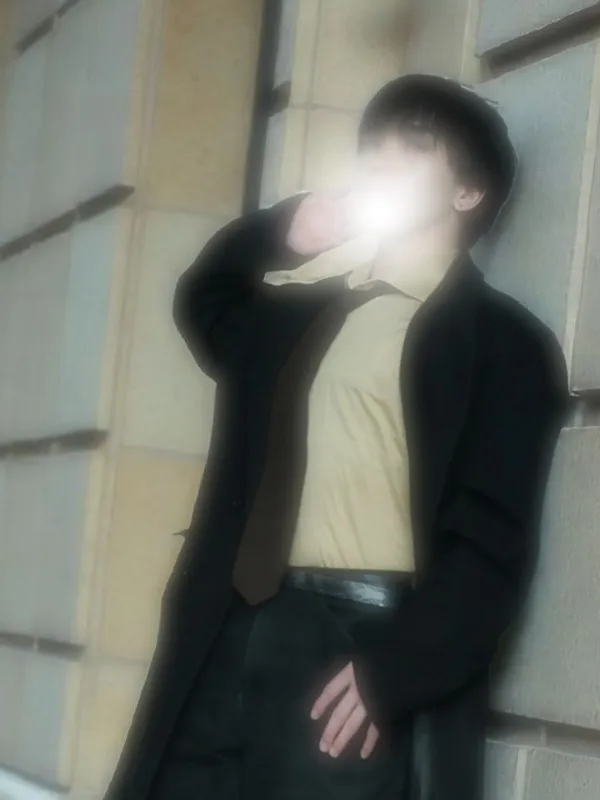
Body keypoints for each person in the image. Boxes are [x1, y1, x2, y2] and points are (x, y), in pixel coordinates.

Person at [104, 74, 570, 800]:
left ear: (467, 192)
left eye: (413, 146)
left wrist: (396, 670)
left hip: (354, 645)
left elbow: (489, 544)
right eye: (372, 144)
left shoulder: (502, 343)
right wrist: (281, 232)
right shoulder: (303, 310)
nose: (381, 159)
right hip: (228, 625)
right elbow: (206, 300)